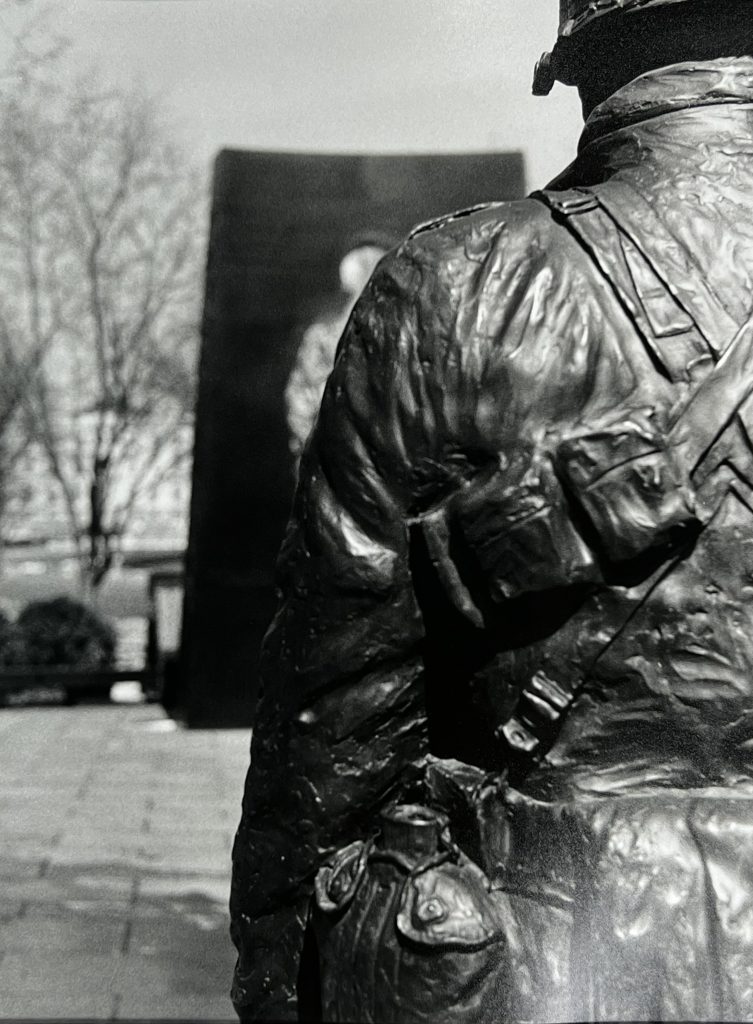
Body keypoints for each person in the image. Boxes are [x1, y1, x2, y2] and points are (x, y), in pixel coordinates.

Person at [231, 2, 753, 1019]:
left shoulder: (448, 289)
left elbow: (329, 742)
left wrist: (274, 980)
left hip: (553, 957)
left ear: (574, 49)